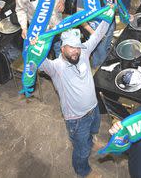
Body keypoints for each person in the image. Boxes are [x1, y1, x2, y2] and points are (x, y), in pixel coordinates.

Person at [39, 22, 111, 178]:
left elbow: (98, 35)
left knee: (92, 132)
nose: (75, 51)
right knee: (81, 150)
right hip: (77, 119)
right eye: (71, 47)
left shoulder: (83, 52)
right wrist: (33, 44)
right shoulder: (55, 67)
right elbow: (37, 60)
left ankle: (91, 142)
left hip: (93, 108)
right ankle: (83, 172)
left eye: (77, 47)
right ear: (62, 47)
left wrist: (108, 15)